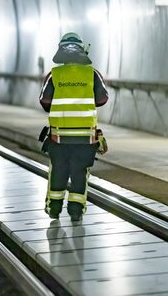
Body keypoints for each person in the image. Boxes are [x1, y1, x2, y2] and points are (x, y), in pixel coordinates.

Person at [39, 32, 109, 222]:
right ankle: (76, 211)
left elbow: (44, 100)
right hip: (85, 138)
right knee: (80, 173)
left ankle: (54, 208)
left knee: (58, 171)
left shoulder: (54, 74)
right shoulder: (92, 74)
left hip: (58, 138)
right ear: (83, 50)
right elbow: (102, 99)